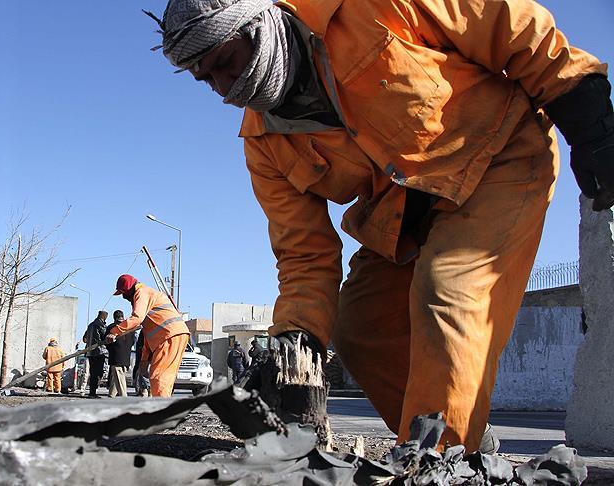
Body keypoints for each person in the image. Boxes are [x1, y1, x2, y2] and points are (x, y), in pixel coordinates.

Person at [149, 0, 610, 452]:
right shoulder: (263, 144)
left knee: (447, 292)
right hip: (403, 214)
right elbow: (304, 255)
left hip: (500, 159)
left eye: (227, 62)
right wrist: (295, 337)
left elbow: (505, 23)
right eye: (205, 77)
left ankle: (439, 458)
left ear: (259, 21)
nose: (224, 87)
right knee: (359, 328)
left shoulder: (364, 7)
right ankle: (460, 440)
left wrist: (584, 113)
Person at [106, 274, 190, 397]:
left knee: (159, 377)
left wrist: (114, 331)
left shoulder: (141, 293)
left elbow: (137, 318)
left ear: (130, 289)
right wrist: (144, 361)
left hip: (169, 336)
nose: (124, 297)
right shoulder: (146, 299)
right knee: (162, 378)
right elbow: (148, 334)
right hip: (171, 336)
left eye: (124, 293)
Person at [106, 310, 136, 397]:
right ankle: (111, 395)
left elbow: (106, 342)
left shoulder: (111, 327)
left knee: (119, 378)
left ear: (114, 318)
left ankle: (124, 397)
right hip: (126, 357)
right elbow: (133, 341)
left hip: (115, 357)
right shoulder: (130, 327)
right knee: (117, 377)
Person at [82, 310, 109, 397]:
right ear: (104, 317)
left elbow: (84, 339)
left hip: (90, 352)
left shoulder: (90, 325)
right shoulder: (101, 325)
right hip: (99, 352)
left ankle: (92, 392)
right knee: (98, 373)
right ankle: (93, 392)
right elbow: (105, 337)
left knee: (92, 372)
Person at [132, 330, 150, 396]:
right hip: (145, 355)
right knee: (142, 372)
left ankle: (144, 389)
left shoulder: (145, 330)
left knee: (142, 372)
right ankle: (144, 389)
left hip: (145, 356)